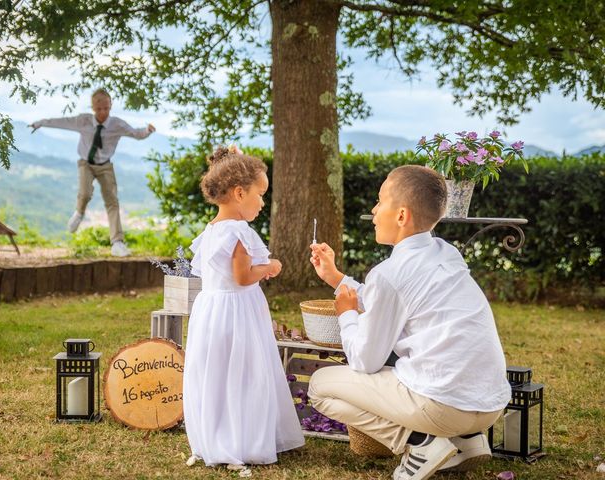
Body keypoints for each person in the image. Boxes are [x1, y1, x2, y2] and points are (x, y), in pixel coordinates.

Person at [308, 165, 511, 480]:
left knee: (320, 387)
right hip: (490, 405)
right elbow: (392, 299)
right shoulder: (447, 253)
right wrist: (336, 279)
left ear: (401, 216)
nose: (374, 211)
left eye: (380, 202)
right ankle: (466, 442)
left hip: (444, 408)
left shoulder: (388, 274)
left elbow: (364, 360)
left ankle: (419, 444)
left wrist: (346, 313)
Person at [183, 145, 304, 475]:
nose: (263, 202)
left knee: (216, 372)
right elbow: (242, 276)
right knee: (244, 370)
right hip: (236, 312)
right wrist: (269, 267)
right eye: (260, 194)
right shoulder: (238, 231)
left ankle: (215, 433)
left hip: (210, 309)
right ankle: (243, 438)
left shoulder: (211, 229)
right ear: (239, 193)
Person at [29, 88, 155, 257]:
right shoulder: (83, 121)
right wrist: (40, 122)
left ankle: (117, 242)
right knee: (85, 193)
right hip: (86, 163)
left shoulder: (117, 124)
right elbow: (62, 122)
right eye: (99, 109)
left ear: (111, 106)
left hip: (105, 165)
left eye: (106, 108)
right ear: (93, 108)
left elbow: (136, 134)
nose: (103, 112)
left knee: (112, 201)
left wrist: (147, 130)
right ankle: (79, 212)